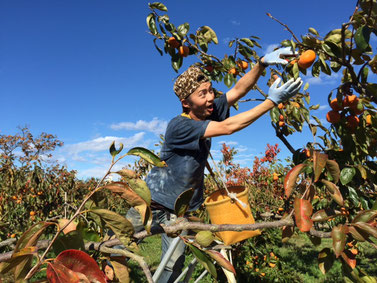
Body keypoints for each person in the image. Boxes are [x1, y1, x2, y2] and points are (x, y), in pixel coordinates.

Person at [126, 47, 303, 283]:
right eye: (202, 94)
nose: (210, 98)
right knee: (118, 247)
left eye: (210, 90)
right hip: (150, 203)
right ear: (186, 103)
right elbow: (229, 127)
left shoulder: (207, 111)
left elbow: (238, 90)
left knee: (171, 267)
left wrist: (261, 64)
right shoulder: (180, 126)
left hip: (180, 209)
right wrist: (271, 101)